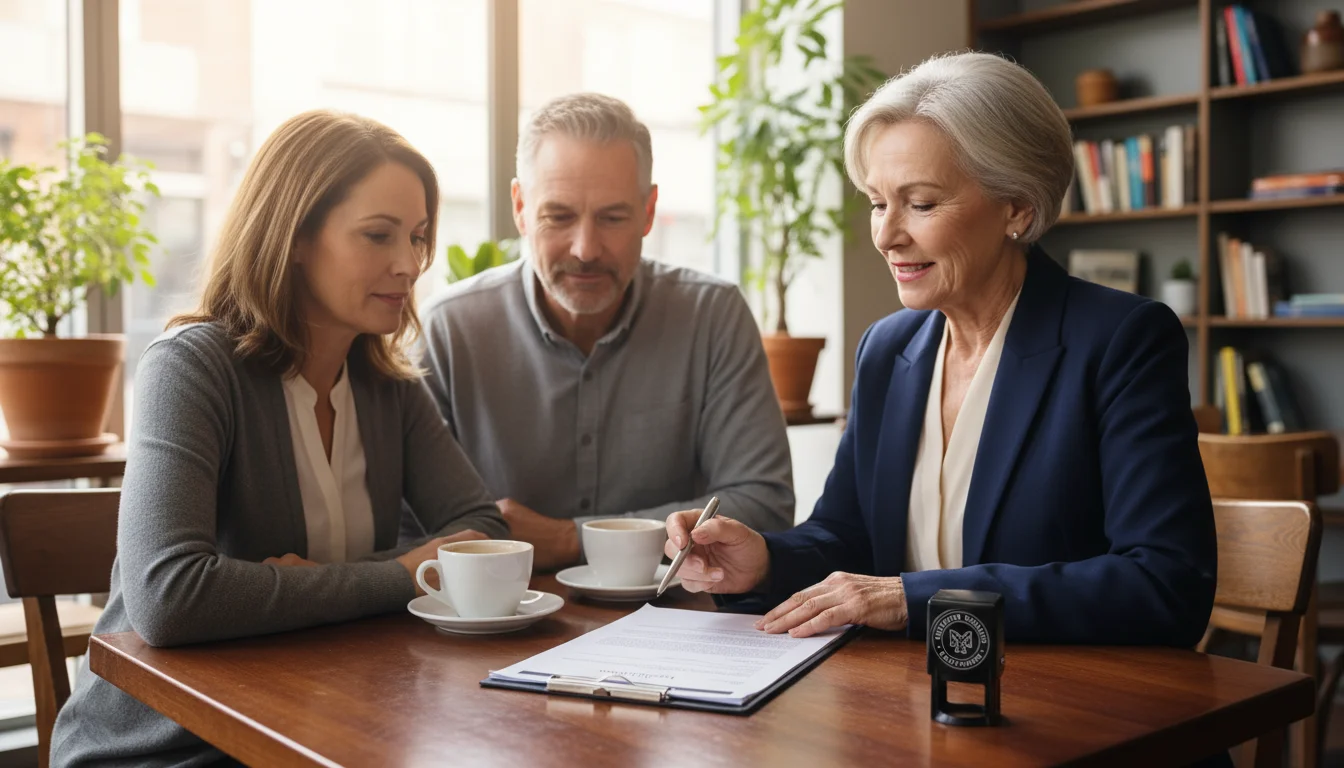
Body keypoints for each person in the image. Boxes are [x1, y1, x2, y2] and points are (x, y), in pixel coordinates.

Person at [664, 51, 1217, 647]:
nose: (885, 234)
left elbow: (1165, 584)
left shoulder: (1121, 341)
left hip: (1066, 707)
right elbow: (847, 536)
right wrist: (766, 559)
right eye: (878, 202)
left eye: (921, 203)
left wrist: (913, 599)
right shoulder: (888, 349)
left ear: (1018, 207)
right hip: (910, 705)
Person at [52, 110, 508, 766]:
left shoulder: (390, 385)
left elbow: (482, 533)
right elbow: (169, 599)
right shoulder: (191, 366)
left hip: (324, 723)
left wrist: (312, 584)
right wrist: (398, 575)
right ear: (294, 235)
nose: (409, 264)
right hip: (163, 749)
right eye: (378, 235)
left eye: (417, 236)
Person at [414, 93, 794, 571]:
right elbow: (414, 528)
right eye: (559, 216)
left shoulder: (711, 315)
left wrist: (573, 540)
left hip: (672, 619)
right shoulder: (450, 328)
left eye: (612, 217)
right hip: (496, 622)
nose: (586, 248)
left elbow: (766, 507)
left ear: (649, 211)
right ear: (520, 207)